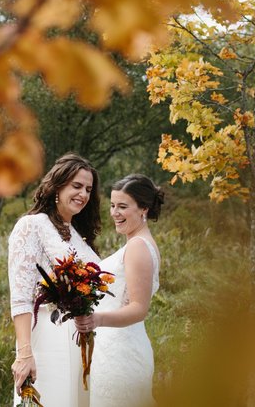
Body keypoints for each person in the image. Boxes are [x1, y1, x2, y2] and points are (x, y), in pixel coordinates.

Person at [8, 153, 102, 407]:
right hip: (48, 341)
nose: (83, 194)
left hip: (80, 344)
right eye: (77, 186)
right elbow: (21, 296)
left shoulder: (77, 235)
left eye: (89, 189)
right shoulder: (32, 226)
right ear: (57, 186)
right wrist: (24, 353)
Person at [75, 174, 164, 407]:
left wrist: (96, 319)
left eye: (123, 206)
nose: (115, 212)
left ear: (143, 208)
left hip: (122, 354)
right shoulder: (137, 242)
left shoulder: (138, 247)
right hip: (112, 349)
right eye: (113, 205)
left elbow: (138, 308)